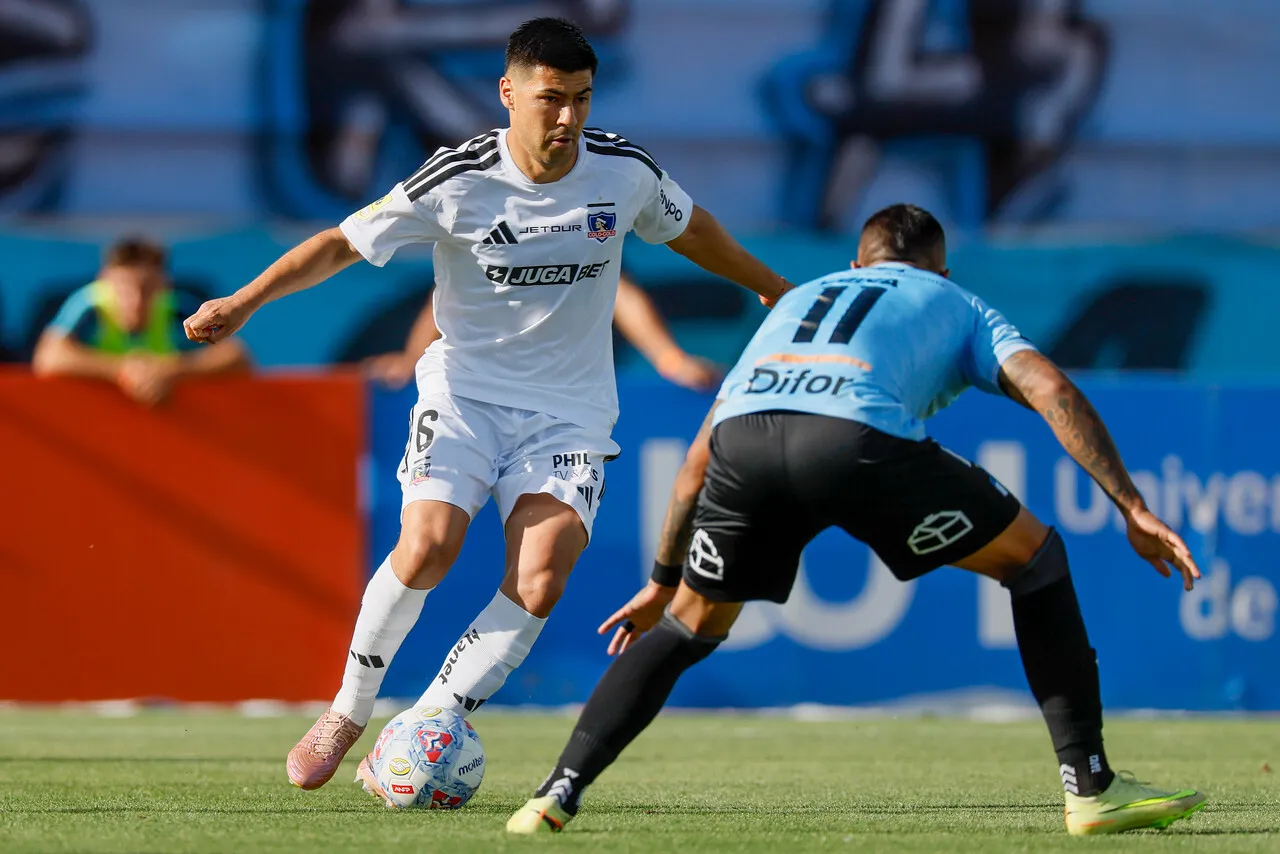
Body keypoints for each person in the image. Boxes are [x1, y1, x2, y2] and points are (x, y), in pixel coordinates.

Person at [182, 17, 790, 794]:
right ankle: (347, 709)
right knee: (429, 545)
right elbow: (340, 242)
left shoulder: (621, 173)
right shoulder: (457, 178)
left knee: (540, 577)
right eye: (550, 99)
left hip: (570, 414)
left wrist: (765, 282)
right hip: (465, 394)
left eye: (580, 99)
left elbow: (690, 228)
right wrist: (246, 299)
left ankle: (429, 719)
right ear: (509, 94)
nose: (567, 118)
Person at [507, 204, 1206, 837]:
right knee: (1035, 560)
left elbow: (698, 457)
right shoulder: (954, 299)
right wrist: (1132, 507)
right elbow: (1051, 388)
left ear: (856, 265)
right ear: (939, 268)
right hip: (856, 442)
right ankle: (1090, 786)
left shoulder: (799, 299)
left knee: (688, 625)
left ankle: (553, 795)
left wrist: (664, 577)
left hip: (745, 442)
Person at [364, 274, 721, 392]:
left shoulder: (584, 211)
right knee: (429, 538)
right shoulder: (481, 200)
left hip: (563, 396)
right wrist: (413, 358)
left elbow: (615, 290)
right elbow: (455, 290)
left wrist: (671, 360)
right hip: (476, 392)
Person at [32, 237, 250, 406]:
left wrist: (169, 371)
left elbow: (236, 356)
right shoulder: (89, 305)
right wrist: (124, 371)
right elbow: (49, 357)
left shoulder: (178, 309)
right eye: (124, 287)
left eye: (147, 288)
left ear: (164, 284)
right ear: (104, 280)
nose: (136, 300)